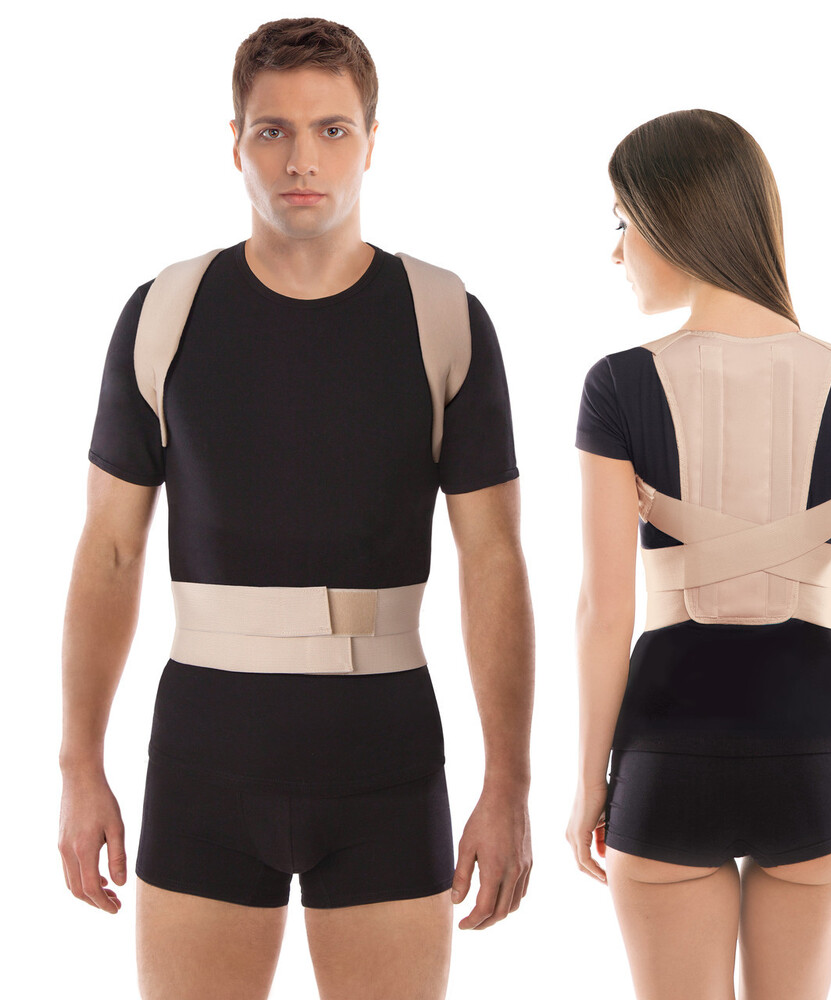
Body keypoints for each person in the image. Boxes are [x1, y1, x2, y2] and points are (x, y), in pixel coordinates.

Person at [58, 17, 533, 1000]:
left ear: (372, 142)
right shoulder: (163, 314)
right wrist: (78, 766)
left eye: (331, 129)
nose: (301, 159)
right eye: (273, 130)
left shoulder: (444, 316)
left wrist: (509, 785)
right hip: (204, 762)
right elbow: (109, 551)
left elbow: (494, 560)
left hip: (386, 764)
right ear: (235, 142)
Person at [566, 109, 831, 1000]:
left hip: (666, 759)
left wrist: (587, 784)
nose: (617, 252)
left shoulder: (619, 385)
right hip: (817, 759)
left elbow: (604, 612)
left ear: (674, 220)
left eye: (623, 222)